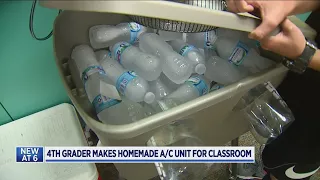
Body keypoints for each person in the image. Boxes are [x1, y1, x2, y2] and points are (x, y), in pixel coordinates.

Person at [226, 0, 320, 179]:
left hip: (315, 122)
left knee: (292, 162)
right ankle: (268, 166)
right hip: (303, 75)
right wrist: (284, 5)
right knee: (278, 132)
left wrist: (308, 55)